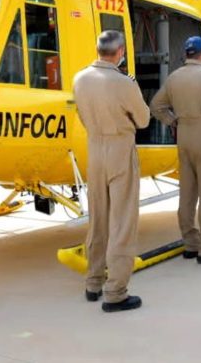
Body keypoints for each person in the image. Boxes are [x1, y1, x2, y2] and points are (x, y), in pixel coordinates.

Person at [72, 30, 151, 312]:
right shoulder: (123, 83)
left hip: (95, 150)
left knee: (99, 219)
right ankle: (115, 292)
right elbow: (143, 120)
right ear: (119, 52)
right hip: (120, 149)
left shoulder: (80, 79)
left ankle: (93, 282)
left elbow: (82, 116)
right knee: (122, 223)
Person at [150, 36, 201, 264]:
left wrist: (173, 120)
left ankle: (190, 242)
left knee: (187, 192)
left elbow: (156, 105)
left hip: (183, 134)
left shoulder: (174, 77)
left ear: (187, 54)